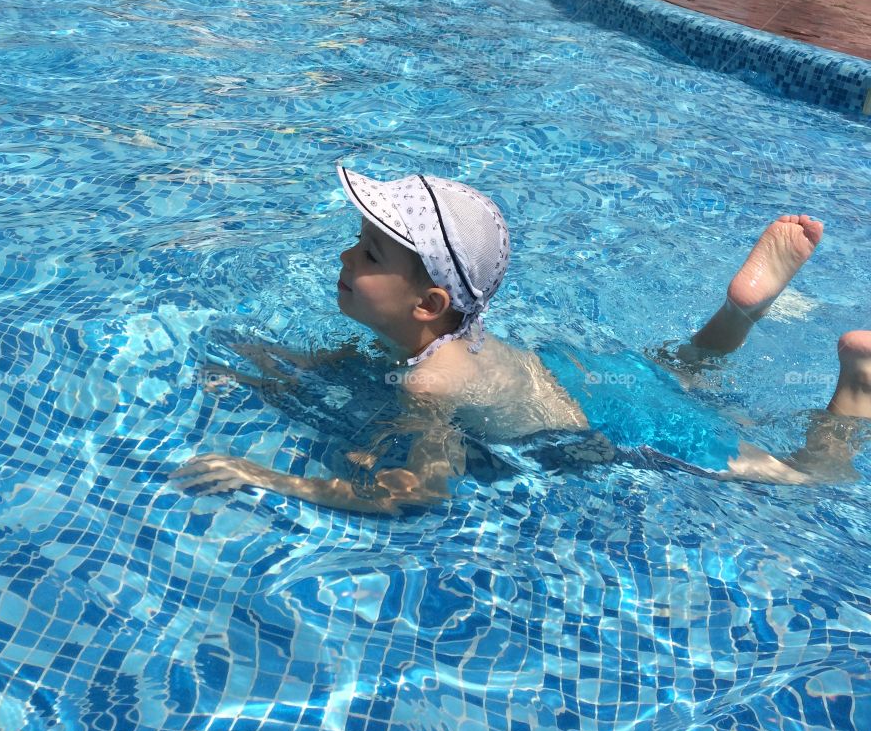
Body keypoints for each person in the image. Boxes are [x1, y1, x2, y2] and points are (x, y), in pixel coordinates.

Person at [173, 168, 871, 513]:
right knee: (676, 368)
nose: (346, 260)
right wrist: (268, 373)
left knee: (809, 480)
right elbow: (347, 365)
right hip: (578, 377)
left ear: (431, 303)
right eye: (357, 244)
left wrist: (269, 477)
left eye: (370, 256)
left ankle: (857, 386)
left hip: (610, 422)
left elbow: (418, 490)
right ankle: (740, 310)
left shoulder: (428, 382)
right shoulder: (434, 346)